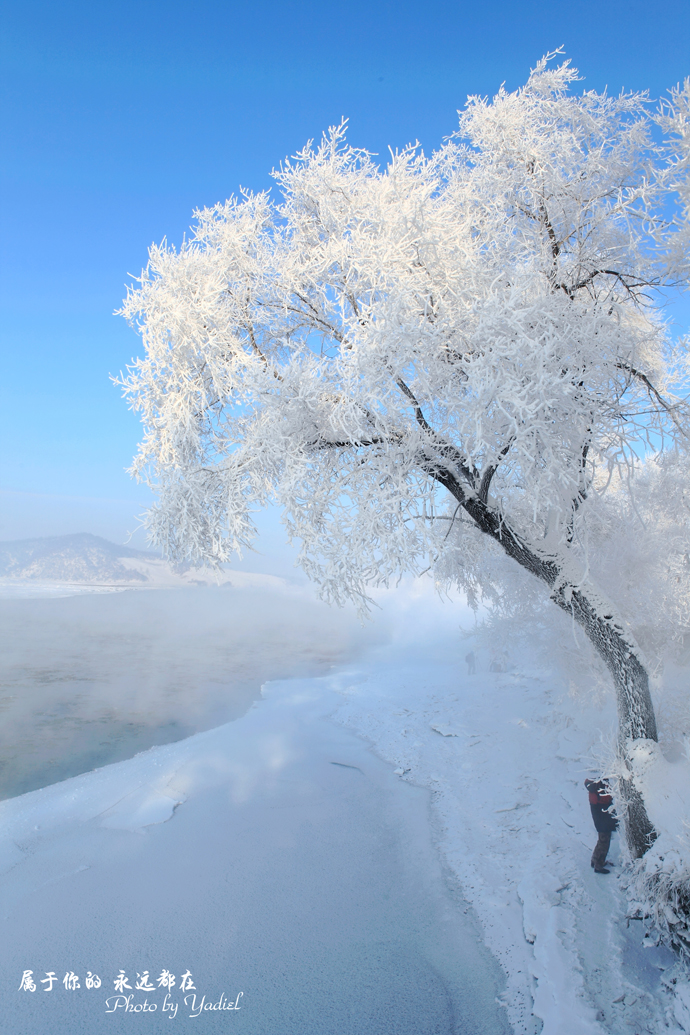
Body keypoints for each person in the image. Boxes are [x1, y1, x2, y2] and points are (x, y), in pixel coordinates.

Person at [584, 778, 618, 874]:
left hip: (599, 819)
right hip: (603, 820)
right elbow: (606, 801)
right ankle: (598, 865)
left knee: (601, 840)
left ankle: (594, 860)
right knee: (604, 841)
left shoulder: (593, 789)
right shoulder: (599, 790)